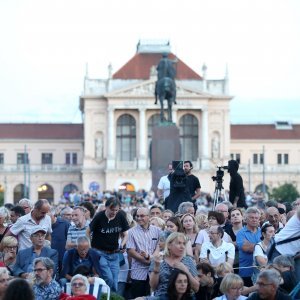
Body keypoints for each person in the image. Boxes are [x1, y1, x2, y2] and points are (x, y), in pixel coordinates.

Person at [87, 197, 129, 292]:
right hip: (100, 252)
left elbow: (126, 234)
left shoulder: (120, 216)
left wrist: (122, 244)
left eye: (116, 210)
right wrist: (90, 247)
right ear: (106, 207)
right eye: (112, 209)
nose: (114, 212)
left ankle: (109, 296)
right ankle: (110, 295)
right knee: (108, 278)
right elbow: (88, 231)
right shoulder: (99, 216)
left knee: (114, 281)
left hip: (114, 253)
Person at [149, 232, 199, 298]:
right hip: (162, 296)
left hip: (184, 297)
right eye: (179, 243)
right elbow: (153, 287)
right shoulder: (158, 260)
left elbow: (196, 288)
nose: (182, 247)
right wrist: (156, 268)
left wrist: (185, 270)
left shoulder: (188, 260)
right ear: (169, 245)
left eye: (184, 244)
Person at [127, 207, 161, 298]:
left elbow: (159, 246)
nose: (139, 218)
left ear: (149, 217)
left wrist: (151, 258)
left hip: (153, 273)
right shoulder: (131, 232)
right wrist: (146, 261)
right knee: (138, 298)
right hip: (138, 272)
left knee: (152, 297)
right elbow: (130, 251)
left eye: (142, 216)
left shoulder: (157, 231)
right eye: (137, 216)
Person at [236, 207, 261, 286]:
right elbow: (246, 248)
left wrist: (251, 245)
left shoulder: (262, 231)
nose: (254, 220)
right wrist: (261, 245)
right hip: (246, 272)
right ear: (246, 219)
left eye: (256, 218)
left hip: (261, 272)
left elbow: (268, 248)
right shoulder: (241, 233)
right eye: (251, 217)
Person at [49, 208, 70, 272]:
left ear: (54, 216)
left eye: (48, 217)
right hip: (49, 258)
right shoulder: (42, 225)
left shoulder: (65, 224)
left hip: (62, 258)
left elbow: (69, 240)